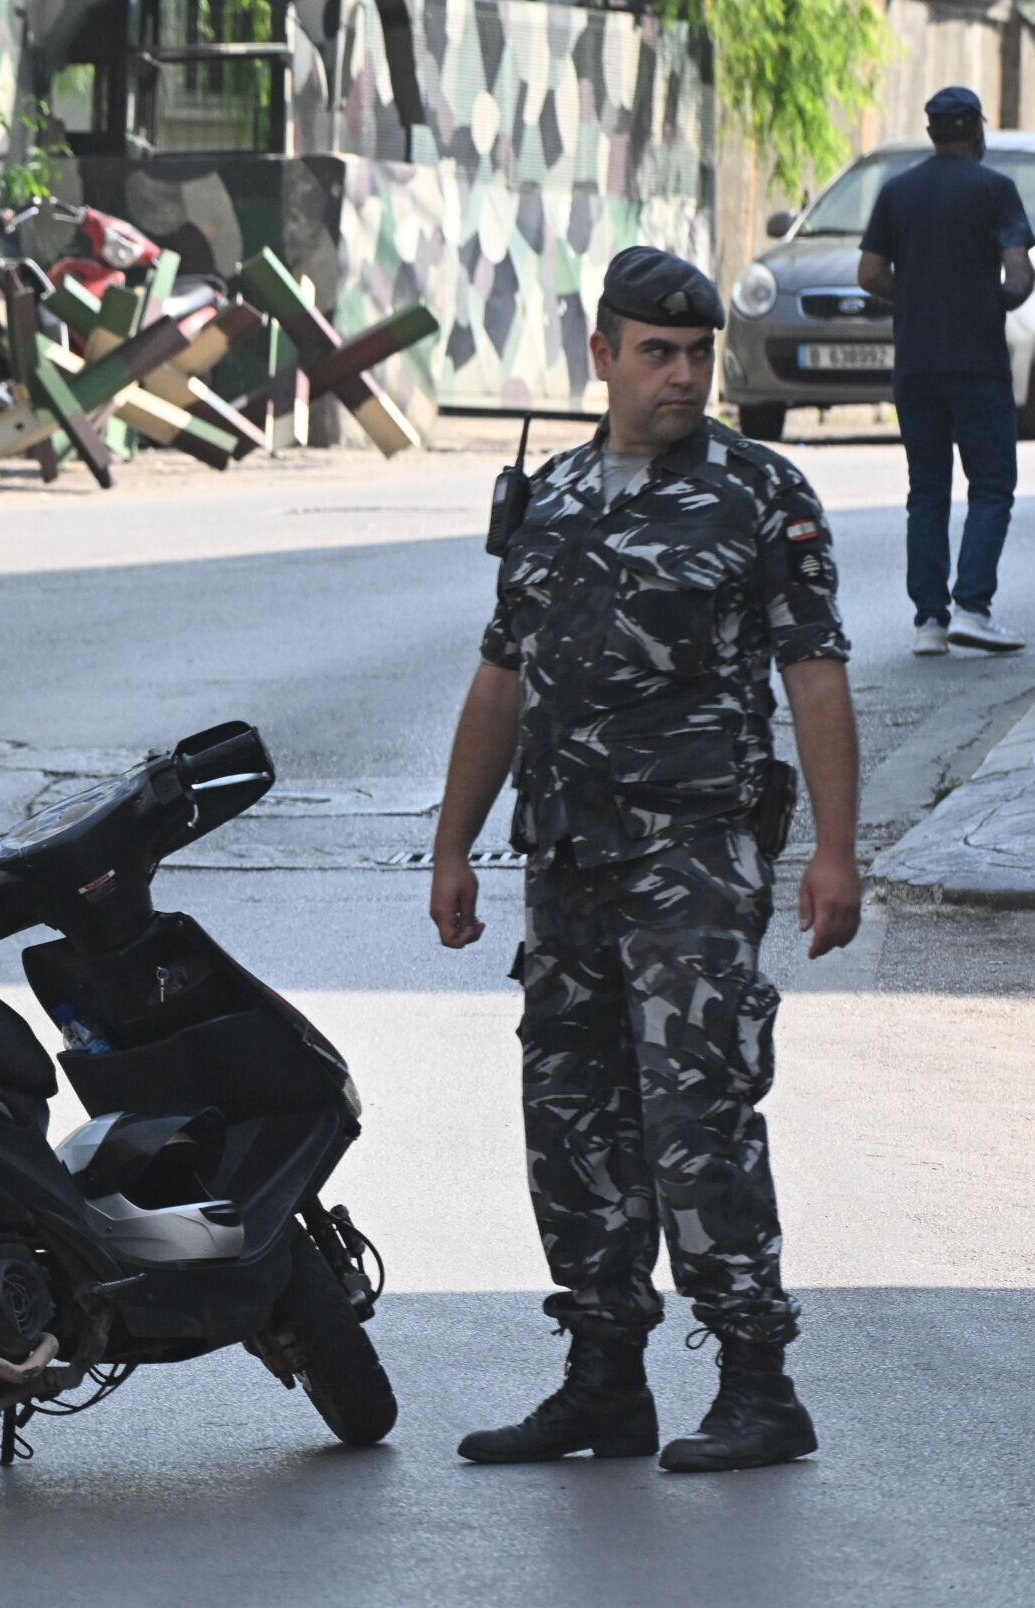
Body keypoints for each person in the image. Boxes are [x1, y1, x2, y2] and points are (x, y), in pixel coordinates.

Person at [431, 249, 861, 1474]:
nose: (681, 376)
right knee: (566, 1119)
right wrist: (451, 843)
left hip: (692, 857)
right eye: (657, 354)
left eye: (697, 355)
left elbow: (812, 673)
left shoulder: (755, 493)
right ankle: (600, 1379)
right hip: (563, 862)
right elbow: (500, 678)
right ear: (601, 356)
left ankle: (756, 1383)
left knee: (697, 1118)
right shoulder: (553, 496)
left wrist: (833, 851)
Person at [859, 84, 1035, 656]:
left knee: (927, 491)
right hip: (978, 364)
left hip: (915, 365)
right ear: (977, 131)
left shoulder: (898, 192)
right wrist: (994, 297)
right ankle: (974, 608)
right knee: (990, 487)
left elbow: (868, 273)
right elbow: (1019, 277)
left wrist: (912, 292)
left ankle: (929, 621)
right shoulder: (997, 191)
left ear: (934, 133)